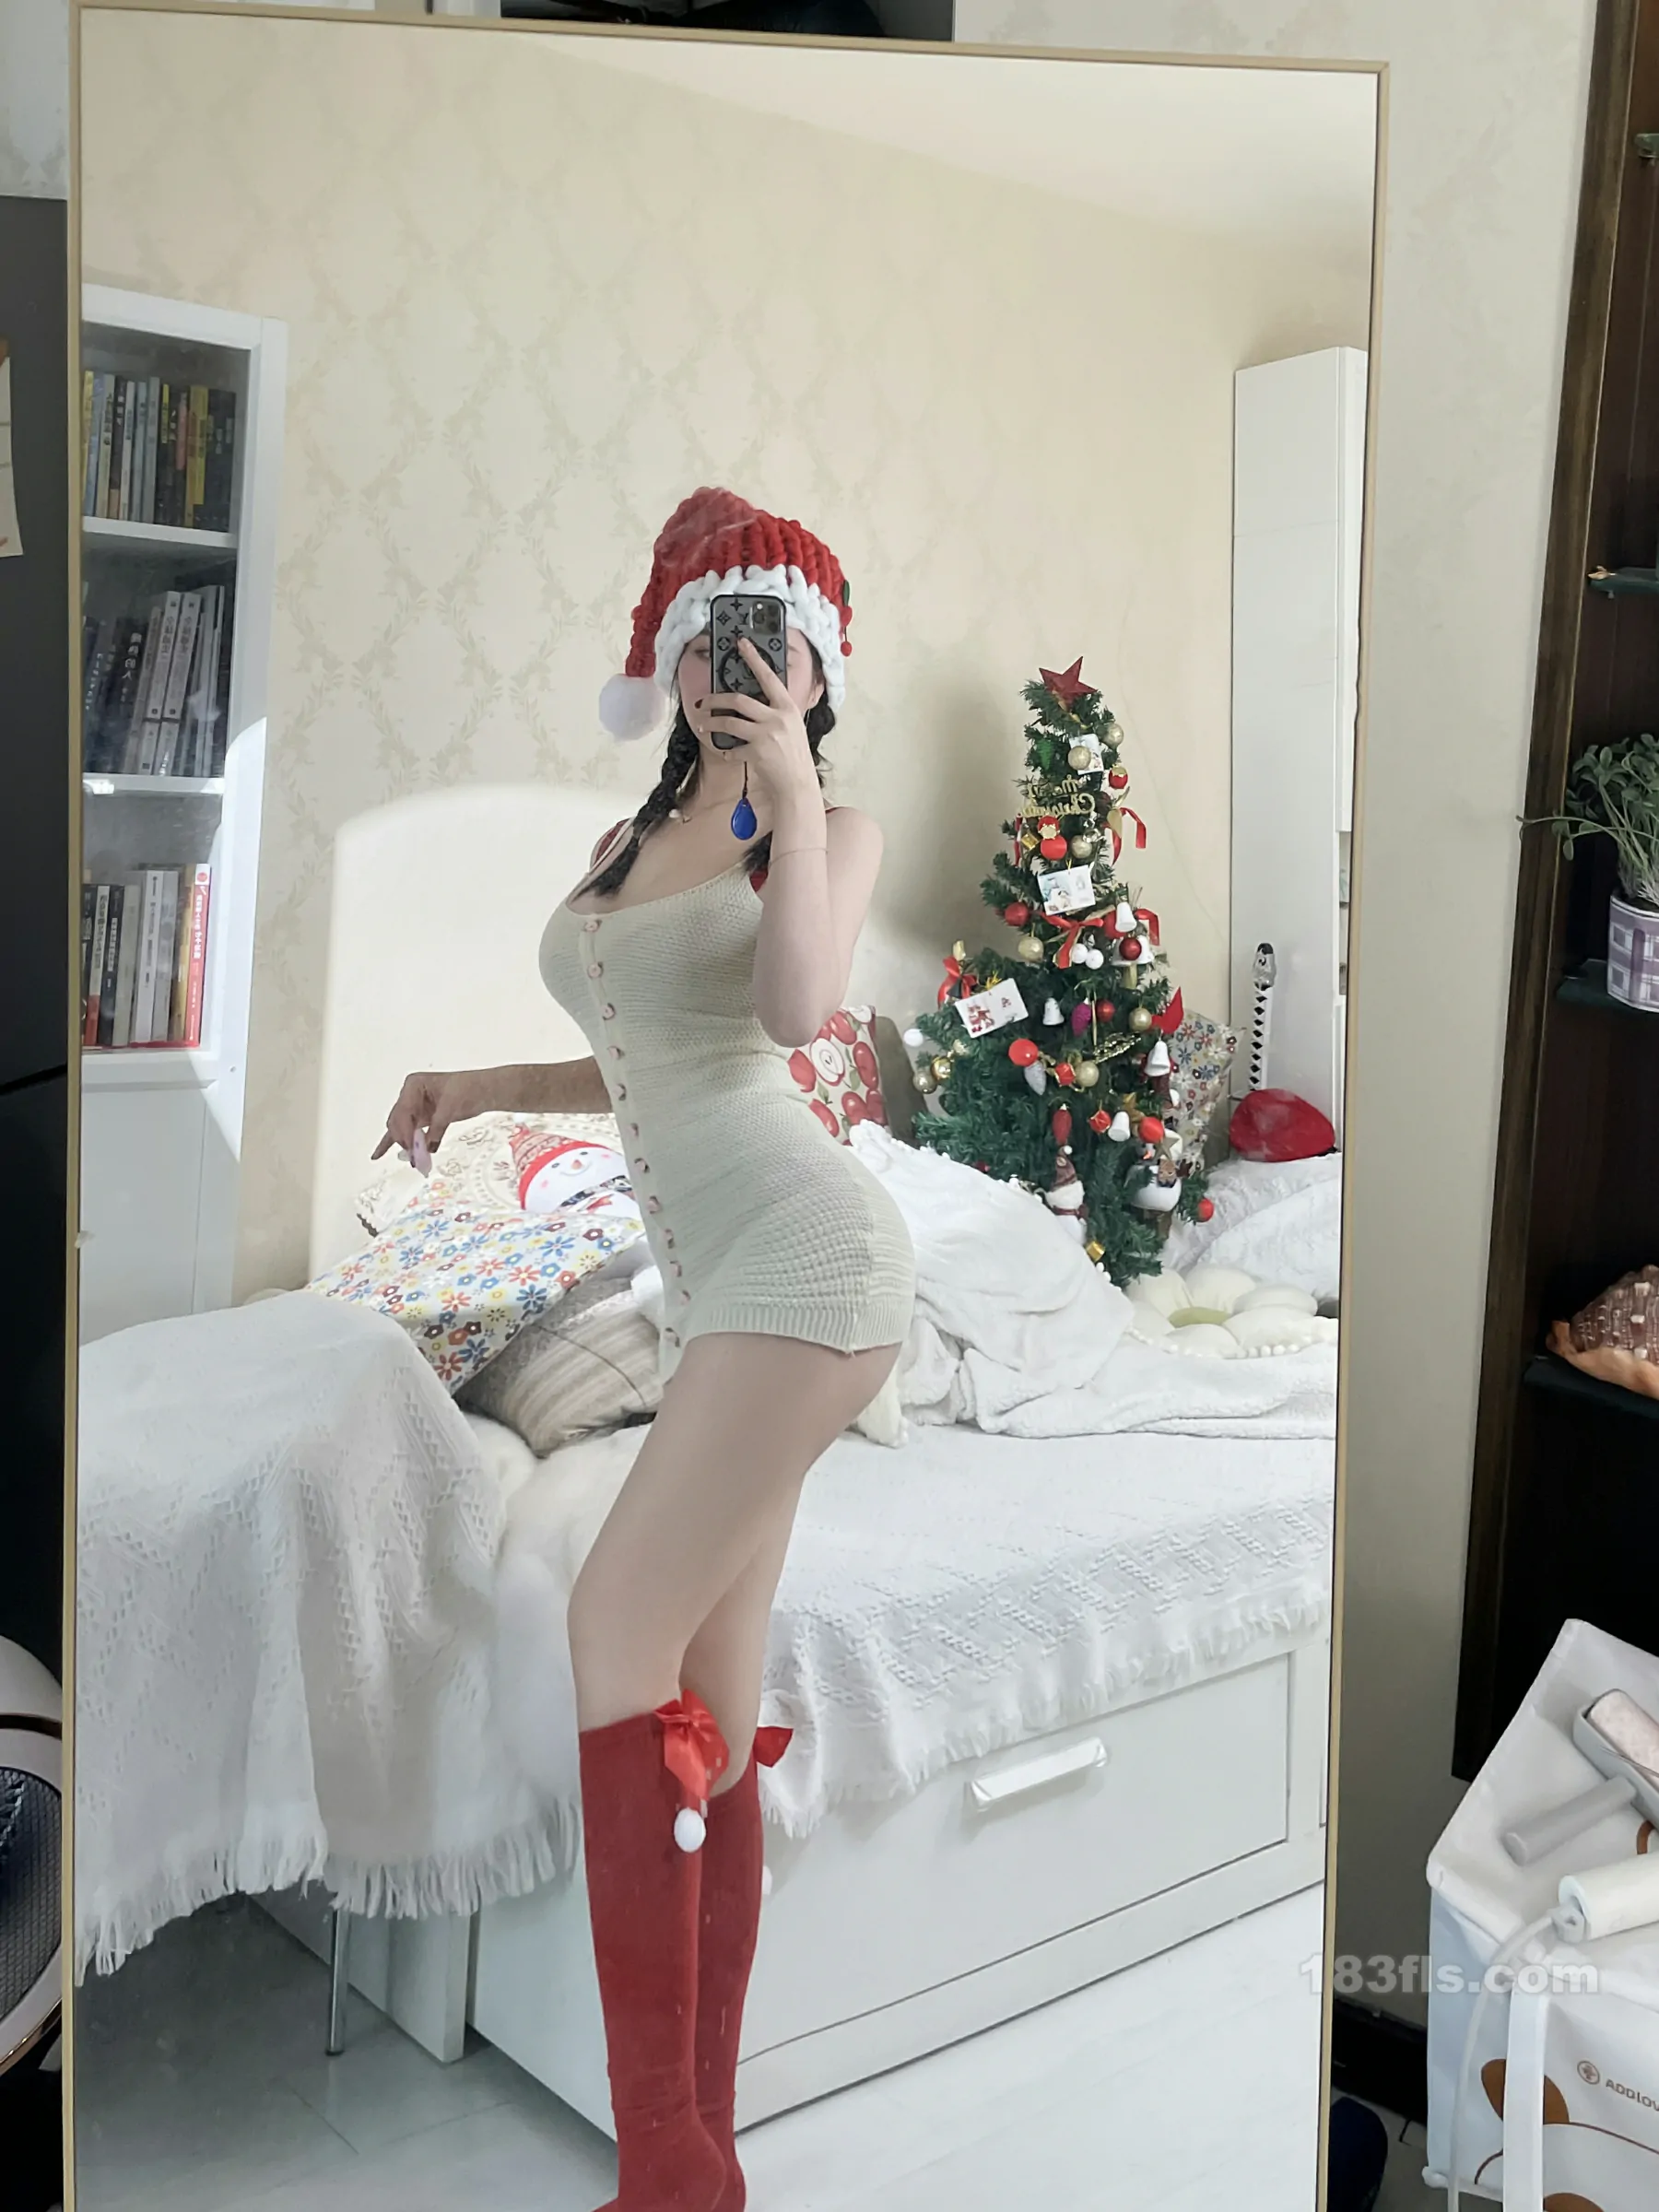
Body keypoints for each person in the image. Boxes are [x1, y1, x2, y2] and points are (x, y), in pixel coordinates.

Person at [377, 488, 915, 2212]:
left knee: (616, 1621)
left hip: (810, 1258)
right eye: (706, 638)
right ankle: (701, 2147)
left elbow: (792, 1014)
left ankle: (667, 2171)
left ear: (813, 670)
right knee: (713, 1698)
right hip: (718, 1288)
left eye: (767, 643)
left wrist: (796, 797)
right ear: (671, 657)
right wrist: (479, 1085)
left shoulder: (820, 826)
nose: (729, 667)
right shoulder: (631, 840)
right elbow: (639, 1056)